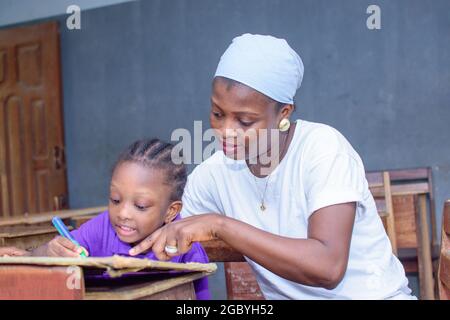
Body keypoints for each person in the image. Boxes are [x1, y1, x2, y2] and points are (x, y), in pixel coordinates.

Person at [130, 34, 415, 299]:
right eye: (217, 113)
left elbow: (328, 267)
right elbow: (159, 234)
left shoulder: (323, 149)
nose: (226, 130)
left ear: (283, 114)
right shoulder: (214, 174)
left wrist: (220, 225)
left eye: (244, 121)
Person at [31, 138, 210, 300]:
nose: (123, 213)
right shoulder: (101, 228)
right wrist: (49, 251)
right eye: (115, 200)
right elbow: (35, 258)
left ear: (171, 211)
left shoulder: (186, 249)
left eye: (140, 206)